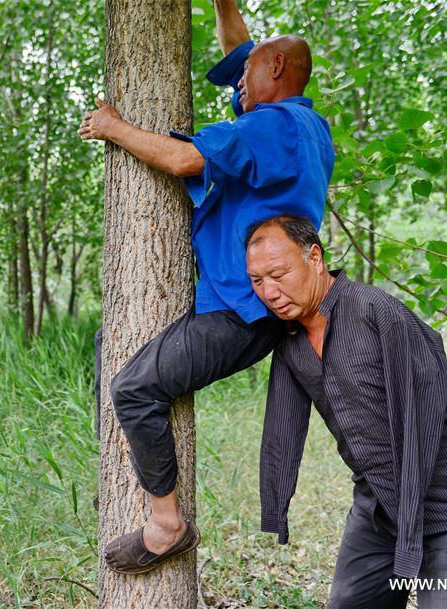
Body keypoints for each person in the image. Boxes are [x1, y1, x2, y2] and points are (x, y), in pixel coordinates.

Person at [78, 1, 334, 574]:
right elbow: (239, 47)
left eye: (246, 75)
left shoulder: (274, 125)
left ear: (277, 73)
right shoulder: (298, 126)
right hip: (226, 295)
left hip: (246, 311)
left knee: (134, 387)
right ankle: (129, 478)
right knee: (108, 344)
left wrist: (112, 127)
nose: (236, 80)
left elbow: (184, 159)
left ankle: (167, 525)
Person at [245, 215, 447, 609]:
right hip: (380, 502)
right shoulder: (290, 342)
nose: (270, 291)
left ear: (314, 257)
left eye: (278, 273)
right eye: (257, 281)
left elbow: (424, 408)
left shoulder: (375, 312)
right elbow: (283, 430)